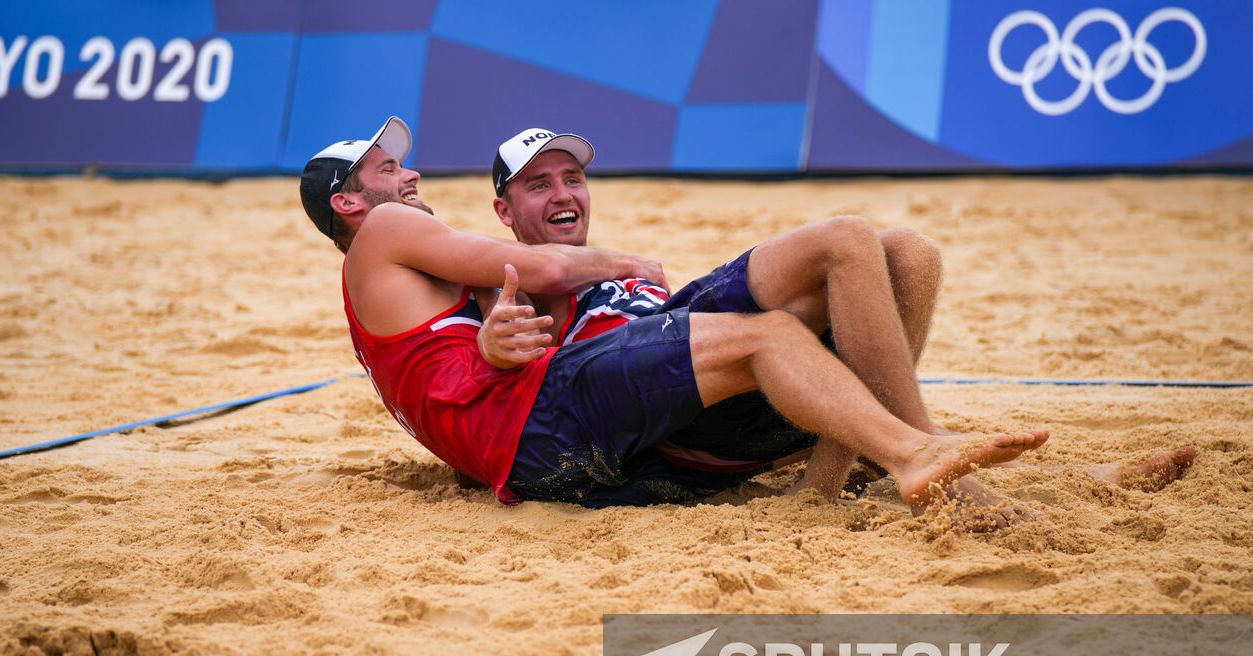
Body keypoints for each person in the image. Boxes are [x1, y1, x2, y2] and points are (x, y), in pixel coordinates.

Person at [300, 115, 1052, 512]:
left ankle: (866, 470)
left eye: (572, 177)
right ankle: (921, 458)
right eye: (389, 168)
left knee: (892, 249)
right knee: (771, 336)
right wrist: (625, 264)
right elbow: (535, 285)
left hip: (618, 406)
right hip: (579, 432)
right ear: (349, 202)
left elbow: (465, 369)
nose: (413, 173)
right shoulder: (397, 236)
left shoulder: (435, 283)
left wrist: (495, 349)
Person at [477, 126, 1197, 507]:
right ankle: (941, 468)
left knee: (908, 254)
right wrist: (498, 343)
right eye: (539, 185)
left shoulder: (606, 268)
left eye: (572, 177)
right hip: (670, 413)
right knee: (846, 236)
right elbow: (503, 363)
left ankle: (827, 484)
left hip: (737, 386)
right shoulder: (514, 279)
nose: (564, 191)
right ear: (505, 213)